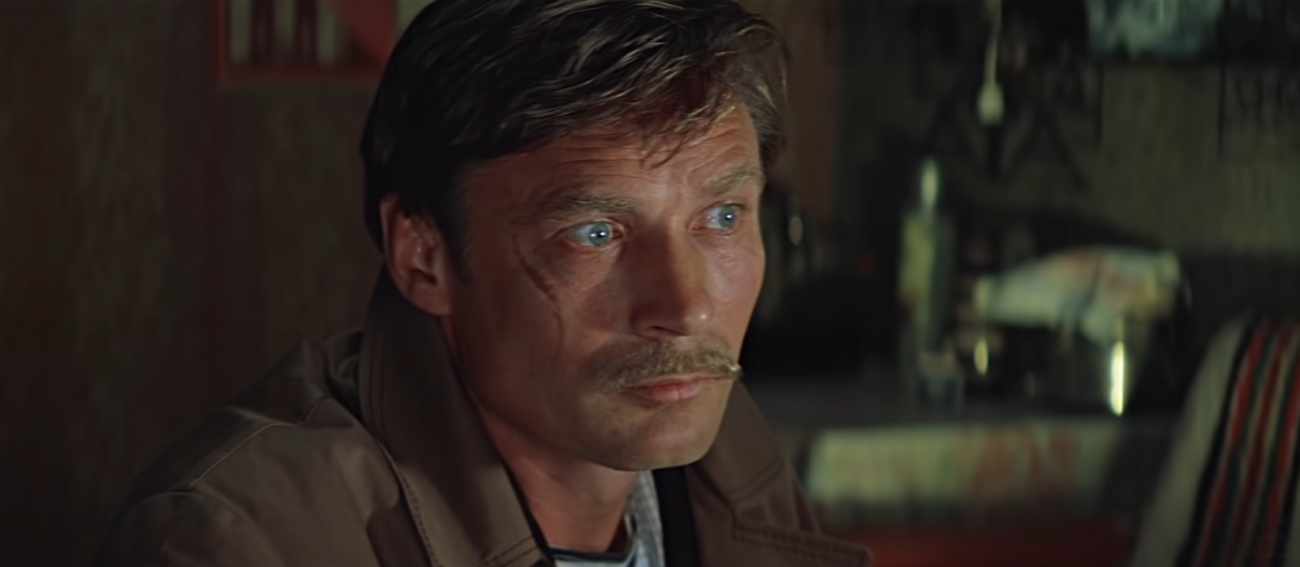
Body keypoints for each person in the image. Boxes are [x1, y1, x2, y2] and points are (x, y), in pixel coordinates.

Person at [95, 1, 873, 566]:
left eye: (722, 217)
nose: (688, 306)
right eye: (594, 233)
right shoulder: (241, 540)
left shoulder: (716, 447)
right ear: (423, 258)